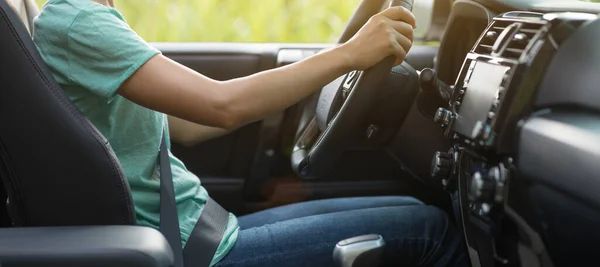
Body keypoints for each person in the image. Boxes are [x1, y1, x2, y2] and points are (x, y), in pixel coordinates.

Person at [32, 0, 468, 266]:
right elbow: (221, 106)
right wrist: (349, 55)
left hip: (200, 228)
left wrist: (345, 52)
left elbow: (190, 124)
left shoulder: (95, 15)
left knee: (409, 204)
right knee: (431, 231)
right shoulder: (76, 22)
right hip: (188, 251)